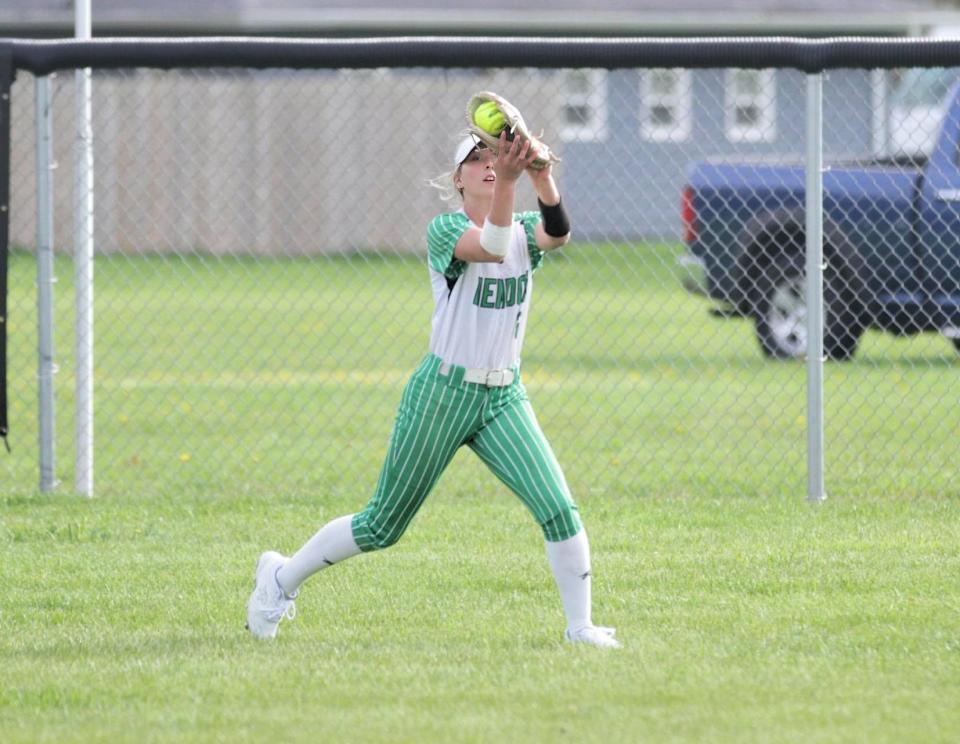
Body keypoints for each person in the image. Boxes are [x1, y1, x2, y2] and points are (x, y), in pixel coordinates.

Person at [246, 129, 620, 649]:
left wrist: (541, 176)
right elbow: (489, 247)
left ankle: (580, 627)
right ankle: (279, 580)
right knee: (382, 525)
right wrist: (513, 180)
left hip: (503, 397)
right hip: (442, 395)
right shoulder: (446, 229)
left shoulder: (522, 229)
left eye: (495, 155)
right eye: (476, 158)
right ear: (458, 180)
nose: (489, 163)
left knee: (558, 507)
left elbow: (558, 234)